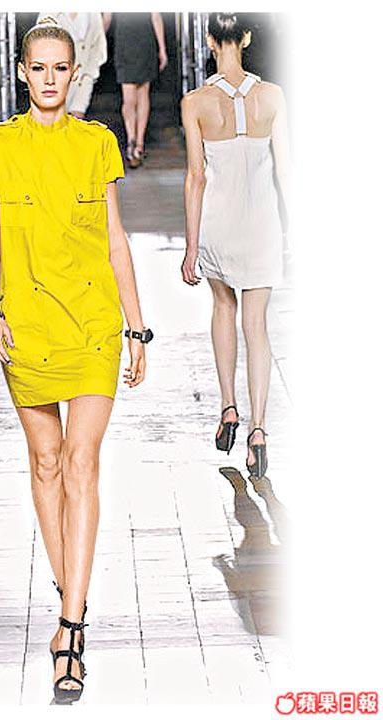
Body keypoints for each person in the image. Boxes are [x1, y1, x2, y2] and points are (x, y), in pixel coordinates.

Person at [0, 18, 151, 704]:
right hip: (28, 326)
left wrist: (137, 328)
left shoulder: (97, 143)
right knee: (45, 462)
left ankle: (71, 627)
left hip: (94, 323)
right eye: (38, 67)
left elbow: (116, 240)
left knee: (81, 461)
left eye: (59, 68)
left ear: (75, 74)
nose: (49, 78)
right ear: (22, 72)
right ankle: (71, 589)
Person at [180, 12, 290, 479]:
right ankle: (259, 430)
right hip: (262, 221)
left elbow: (196, 177)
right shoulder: (273, 96)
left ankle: (228, 407)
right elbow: (285, 171)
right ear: (245, 38)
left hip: (219, 223)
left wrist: (191, 247)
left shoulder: (195, 102)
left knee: (223, 309)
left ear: (209, 41)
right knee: (257, 326)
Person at [104, 12, 168, 168]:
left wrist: (162, 48)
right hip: (125, 43)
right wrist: (97, 42)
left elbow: (156, 16)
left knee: (142, 94)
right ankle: (132, 141)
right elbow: (107, 18)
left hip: (144, 42)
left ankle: (138, 144)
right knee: (129, 98)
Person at [35, 12, 107, 118]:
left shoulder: (93, 14)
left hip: (82, 81)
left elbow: (97, 49)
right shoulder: (49, 13)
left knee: (77, 120)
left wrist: (88, 78)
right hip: (53, 82)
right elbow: (39, 48)